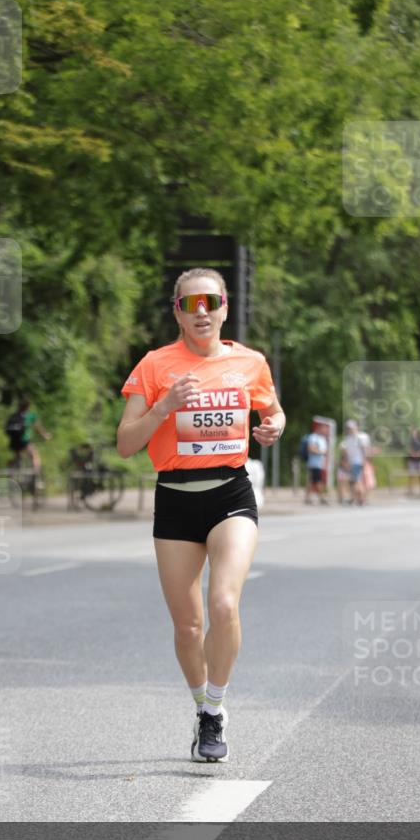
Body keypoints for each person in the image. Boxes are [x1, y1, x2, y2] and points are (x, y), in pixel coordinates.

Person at [117, 267, 285, 763]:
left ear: (225, 307)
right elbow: (126, 444)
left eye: (211, 302)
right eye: (191, 305)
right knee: (189, 627)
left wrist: (273, 426)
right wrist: (164, 405)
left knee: (224, 605)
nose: (202, 312)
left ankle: (216, 706)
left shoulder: (250, 363)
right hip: (175, 497)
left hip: (231, 494)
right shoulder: (154, 365)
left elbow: (273, 411)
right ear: (177, 312)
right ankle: (201, 708)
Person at [5, 397, 51, 474]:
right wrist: (45, 436)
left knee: (17, 457)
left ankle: (11, 472)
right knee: (34, 455)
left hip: (14, 441)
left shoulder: (13, 416)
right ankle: (36, 477)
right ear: (28, 406)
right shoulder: (30, 416)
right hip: (25, 440)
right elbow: (38, 428)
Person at [339, 419, 367, 505]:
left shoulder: (359, 438)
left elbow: (363, 450)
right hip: (352, 463)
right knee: (355, 481)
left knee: (355, 481)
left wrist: (364, 461)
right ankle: (358, 498)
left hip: (357, 462)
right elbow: (344, 451)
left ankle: (360, 498)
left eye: (351, 428)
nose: (349, 430)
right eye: (348, 428)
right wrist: (346, 462)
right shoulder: (348, 439)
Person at [305, 425, 328, 505]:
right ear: (319, 429)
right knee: (317, 481)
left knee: (312, 481)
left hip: (320, 464)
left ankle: (308, 498)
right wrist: (320, 452)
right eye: (324, 429)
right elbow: (310, 448)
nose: (325, 431)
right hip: (314, 464)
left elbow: (325, 451)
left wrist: (320, 451)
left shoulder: (323, 439)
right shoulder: (313, 437)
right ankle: (321, 498)